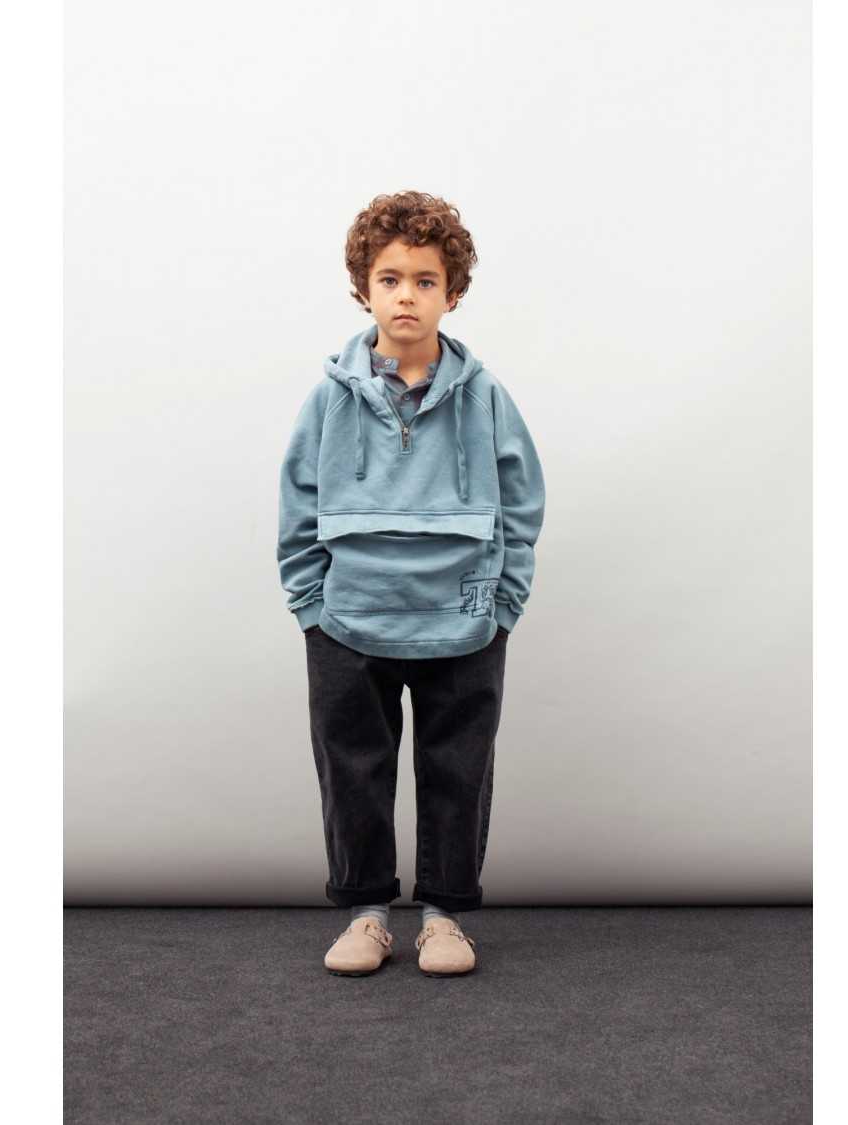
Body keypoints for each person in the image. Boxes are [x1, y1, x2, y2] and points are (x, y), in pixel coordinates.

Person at [276, 190, 546, 976]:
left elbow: (522, 500)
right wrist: (311, 605)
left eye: (425, 281)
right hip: (348, 617)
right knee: (353, 769)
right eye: (390, 279)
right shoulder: (329, 398)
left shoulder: (486, 397)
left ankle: (444, 918)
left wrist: (503, 603)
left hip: (463, 616)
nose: (406, 295)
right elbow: (297, 499)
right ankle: (366, 915)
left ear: (451, 294)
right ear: (363, 289)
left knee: (458, 768)